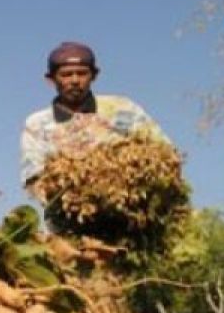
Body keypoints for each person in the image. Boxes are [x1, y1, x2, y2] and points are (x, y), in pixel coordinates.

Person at [20, 42, 170, 201]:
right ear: (51, 80)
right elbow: (33, 179)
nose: (75, 80)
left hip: (130, 212)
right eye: (66, 74)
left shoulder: (123, 108)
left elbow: (163, 152)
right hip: (68, 219)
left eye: (82, 73)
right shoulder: (36, 125)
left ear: (94, 75)